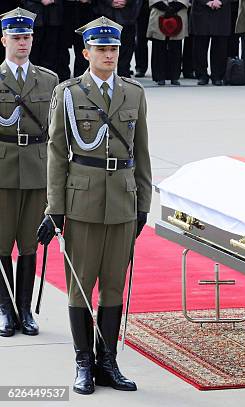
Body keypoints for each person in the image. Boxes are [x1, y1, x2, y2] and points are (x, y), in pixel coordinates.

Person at [36, 16, 152, 394]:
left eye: (114, 48)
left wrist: (143, 202)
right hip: (82, 201)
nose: (109, 55)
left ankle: (108, 362)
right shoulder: (69, 93)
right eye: (101, 49)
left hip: (122, 200)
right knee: (80, 287)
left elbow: (142, 153)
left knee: (115, 287)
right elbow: (56, 151)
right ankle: (83, 362)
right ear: (86, 52)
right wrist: (55, 207)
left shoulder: (134, 93)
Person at [0, 7, 58, 338]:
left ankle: (25, 310)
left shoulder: (48, 80)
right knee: (1, 242)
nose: (23, 43)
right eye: (17, 38)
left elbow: (55, 132)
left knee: (29, 242)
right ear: (4, 39)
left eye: (27, 38)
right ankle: (5, 308)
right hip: (3, 167)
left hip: (37, 168)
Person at [94, 0, 142, 78]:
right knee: (104, 48)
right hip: (106, 15)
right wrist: (110, 2)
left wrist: (126, 1)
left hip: (128, 16)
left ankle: (123, 75)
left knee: (127, 47)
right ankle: (105, 75)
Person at [190, 0, 232, 86]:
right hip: (201, 10)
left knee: (220, 46)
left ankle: (217, 76)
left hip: (221, 10)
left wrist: (220, 1)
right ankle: (202, 75)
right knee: (200, 46)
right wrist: (207, 2)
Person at [147, 0, 189, 86]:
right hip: (159, 12)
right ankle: (159, 77)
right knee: (158, 47)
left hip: (179, 13)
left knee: (176, 48)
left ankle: (174, 76)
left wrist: (174, 7)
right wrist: (165, 7)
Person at [20, 0, 63, 75]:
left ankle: (49, 79)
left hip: (54, 17)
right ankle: (31, 78)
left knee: (51, 52)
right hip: (34, 16)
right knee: (33, 51)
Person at [58, 0, 94, 81]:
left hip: (85, 12)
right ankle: (63, 80)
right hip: (64, 12)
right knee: (62, 50)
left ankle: (81, 80)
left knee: (83, 50)